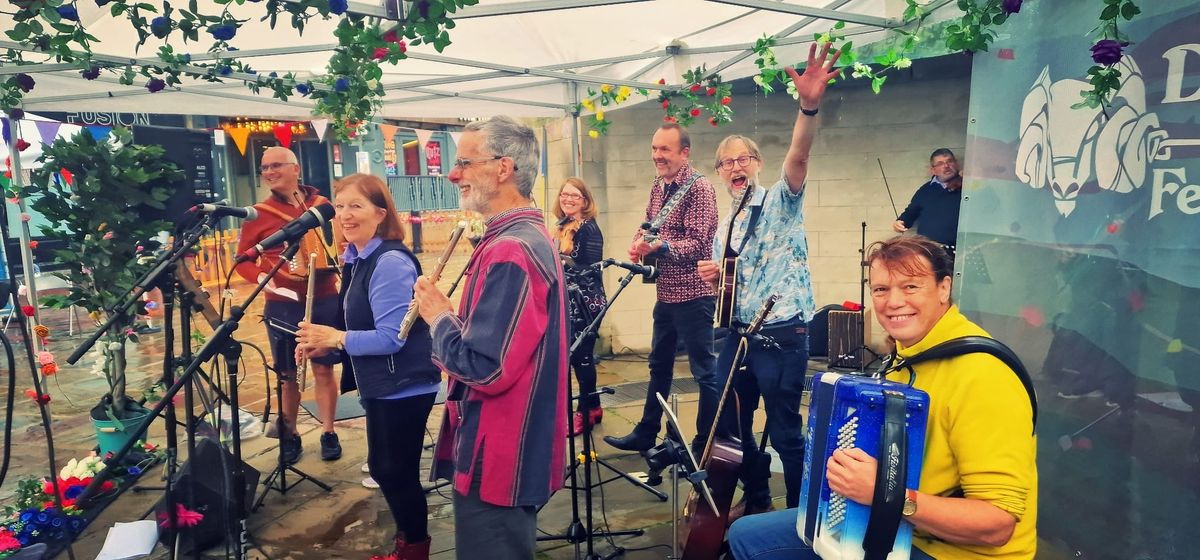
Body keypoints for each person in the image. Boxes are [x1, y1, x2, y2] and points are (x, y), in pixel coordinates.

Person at [726, 235, 1038, 560]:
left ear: (944, 288)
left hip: (952, 551)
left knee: (756, 546)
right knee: (746, 534)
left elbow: (997, 525)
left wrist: (885, 494)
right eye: (881, 289)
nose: (893, 302)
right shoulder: (905, 358)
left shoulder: (984, 376)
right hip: (900, 524)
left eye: (911, 286)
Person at [412, 116, 568, 559]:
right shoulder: (522, 238)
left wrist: (439, 317)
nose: (453, 173)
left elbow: (487, 367)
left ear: (503, 168)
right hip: (508, 447)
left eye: (464, 161)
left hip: (501, 453)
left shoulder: (511, 249)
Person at [695, 42, 841, 515]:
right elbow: (725, 296)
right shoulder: (722, 229)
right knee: (733, 428)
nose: (736, 167)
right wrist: (715, 280)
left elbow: (799, 156)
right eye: (726, 162)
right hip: (737, 338)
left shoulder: (781, 200)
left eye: (743, 159)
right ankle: (757, 500)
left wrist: (808, 106)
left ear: (757, 164)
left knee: (785, 432)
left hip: (781, 334)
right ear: (719, 173)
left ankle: (801, 515)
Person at [295, 173, 439, 560]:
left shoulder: (389, 261)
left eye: (355, 206)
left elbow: (392, 338)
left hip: (404, 385)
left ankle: (413, 551)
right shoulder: (356, 258)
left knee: (395, 472)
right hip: (384, 384)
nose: (344, 214)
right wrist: (321, 344)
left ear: (380, 212)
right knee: (386, 468)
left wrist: (334, 338)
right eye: (340, 207)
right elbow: (359, 327)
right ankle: (408, 545)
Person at [603, 122, 719, 454]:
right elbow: (650, 224)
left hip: (694, 294)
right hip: (666, 292)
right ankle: (646, 430)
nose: (657, 156)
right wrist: (640, 242)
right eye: (654, 149)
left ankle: (704, 443)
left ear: (685, 152)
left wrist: (660, 247)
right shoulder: (659, 184)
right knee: (658, 364)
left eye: (664, 149)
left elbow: (699, 244)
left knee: (704, 371)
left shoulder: (700, 188)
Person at [234, 146, 341, 464]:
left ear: (295, 169)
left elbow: (339, 242)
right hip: (283, 303)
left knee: (324, 368)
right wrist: (269, 279)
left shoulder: (323, 206)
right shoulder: (259, 214)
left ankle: (328, 431)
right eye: (264, 168)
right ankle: (290, 434)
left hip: (324, 297)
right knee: (287, 373)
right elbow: (243, 261)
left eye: (276, 166)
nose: (268, 172)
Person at [553, 177, 607, 436]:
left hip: (586, 302)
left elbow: (591, 269)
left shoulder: (589, 229)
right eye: (565, 195)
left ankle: (585, 413)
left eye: (574, 195)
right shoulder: (562, 225)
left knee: (582, 357)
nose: (568, 199)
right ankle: (594, 407)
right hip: (567, 300)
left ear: (585, 201)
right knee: (575, 357)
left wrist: (560, 264)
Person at [893, 148, 962, 251]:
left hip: (960, 250)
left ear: (956, 164)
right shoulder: (925, 190)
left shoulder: (968, 185)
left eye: (949, 161)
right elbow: (910, 213)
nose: (946, 166)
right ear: (933, 170)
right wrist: (899, 222)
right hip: (930, 250)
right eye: (940, 164)